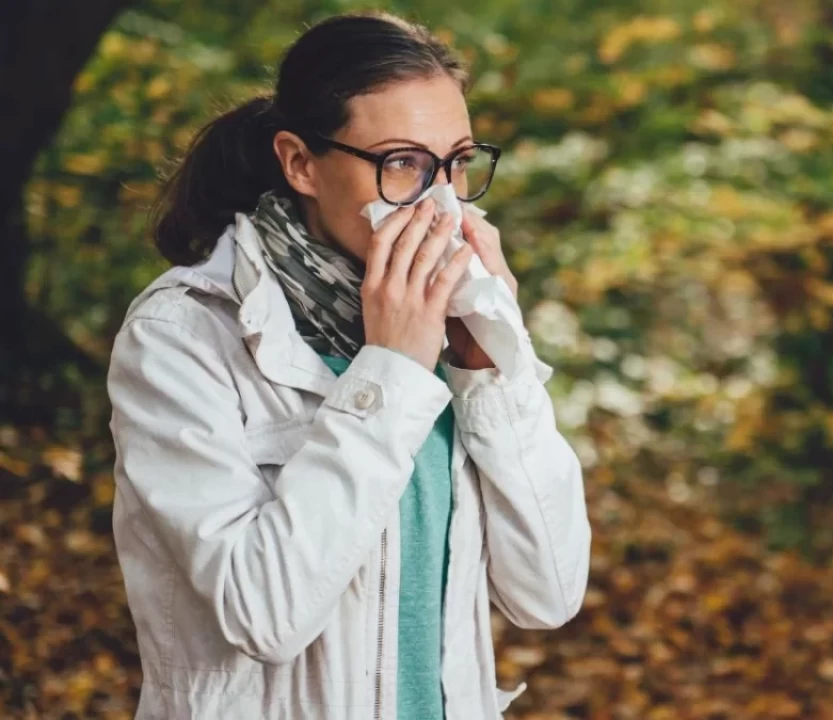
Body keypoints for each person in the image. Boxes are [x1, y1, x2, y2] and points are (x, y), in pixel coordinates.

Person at [105, 11, 590, 720]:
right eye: (403, 164)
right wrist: (391, 366)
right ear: (300, 162)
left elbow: (548, 593)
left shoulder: (458, 330)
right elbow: (263, 615)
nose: (442, 201)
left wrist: (491, 369)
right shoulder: (184, 333)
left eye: (456, 162)